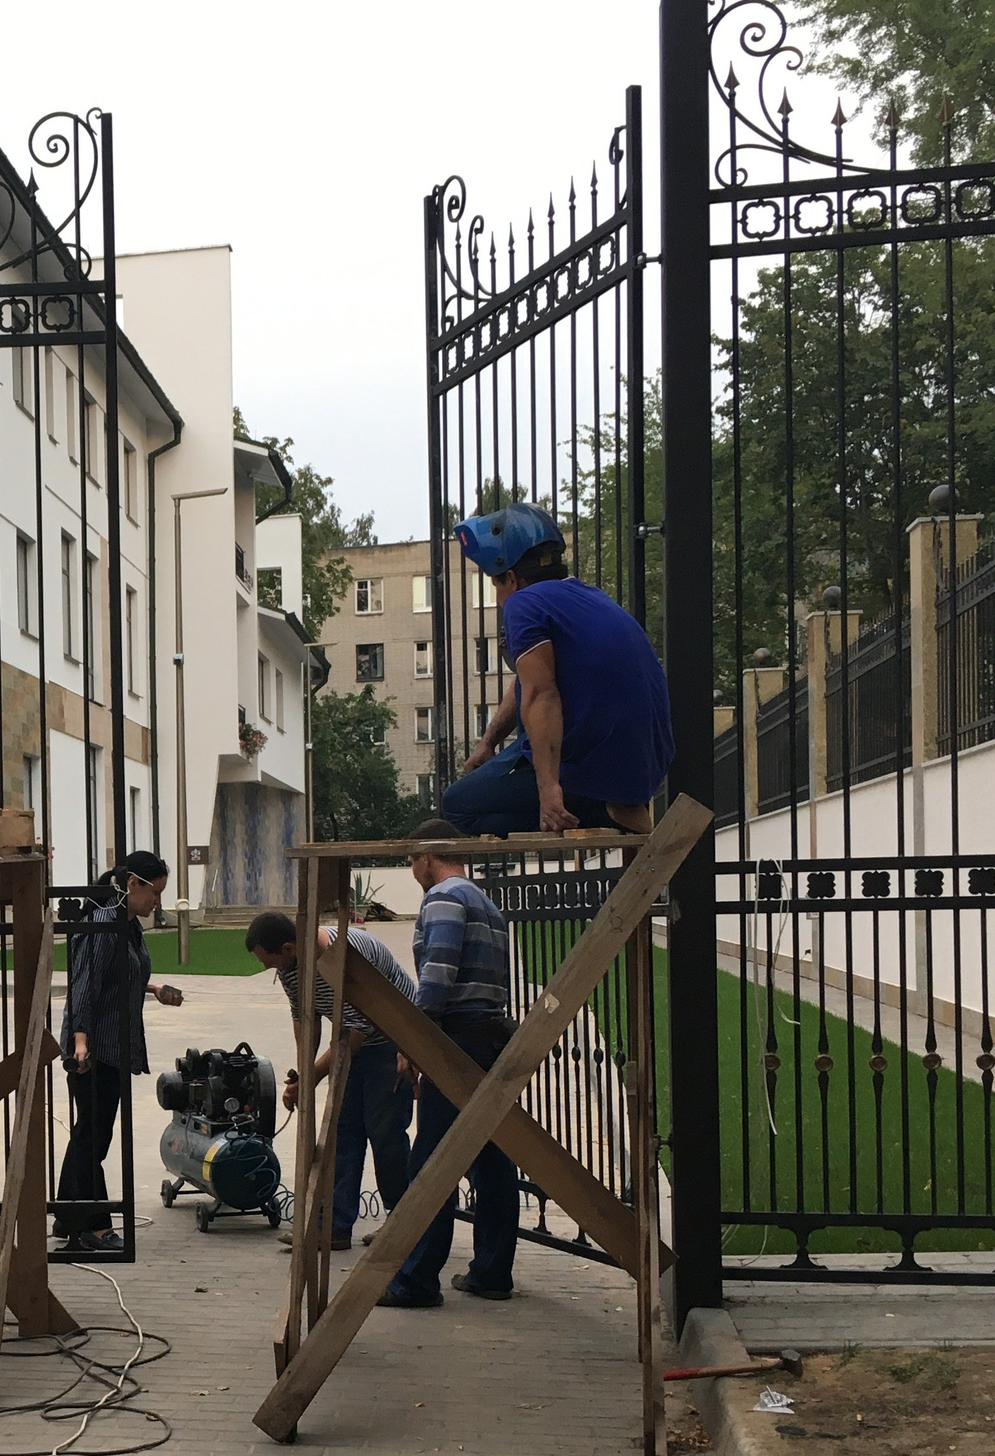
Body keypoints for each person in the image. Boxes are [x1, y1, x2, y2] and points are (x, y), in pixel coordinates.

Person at [440, 503, 673, 837]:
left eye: (496, 585)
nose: (499, 598)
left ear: (511, 578)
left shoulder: (524, 604)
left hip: (594, 763)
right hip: (645, 763)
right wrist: (489, 740)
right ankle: (610, 804)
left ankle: (599, 810)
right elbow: (527, 683)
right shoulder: (590, 597)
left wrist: (548, 789)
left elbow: (541, 695)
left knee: (457, 806)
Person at [383, 818, 522, 1305]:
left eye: (411, 861)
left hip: (455, 1039)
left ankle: (416, 1280)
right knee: (492, 1158)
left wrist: (414, 1041)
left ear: (426, 856)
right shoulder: (485, 902)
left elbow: (437, 974)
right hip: (489, 1037)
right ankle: (492, 1272)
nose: (412, 871)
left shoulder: (443, 897)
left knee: (432, 1161)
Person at [244, 909, 414, 1254]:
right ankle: (333, 1227)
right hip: (353, 1040)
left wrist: (312, 1079)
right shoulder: (291, 966)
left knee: (385, 1134)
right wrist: (302, 1074)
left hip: (392, 1040)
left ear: (289, 948)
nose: (269, 969)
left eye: (270, 961)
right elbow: (304, 1018)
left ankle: (403, 1226)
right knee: (341, 1133)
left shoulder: (347, 956)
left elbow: (356, 1032)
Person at [56, 851, 183, 1252]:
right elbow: (83, 986)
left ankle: (66, 1214)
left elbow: (116, 976)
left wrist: (153, 988)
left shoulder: (126, 926)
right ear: (132, 884)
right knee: (93, 1137)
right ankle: (93, 1226)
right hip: (93, 1049)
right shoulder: (102, 925)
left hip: (112, 1045)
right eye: (154, 892)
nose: (157, 901)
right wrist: (80, 1043)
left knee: (90, 1132)